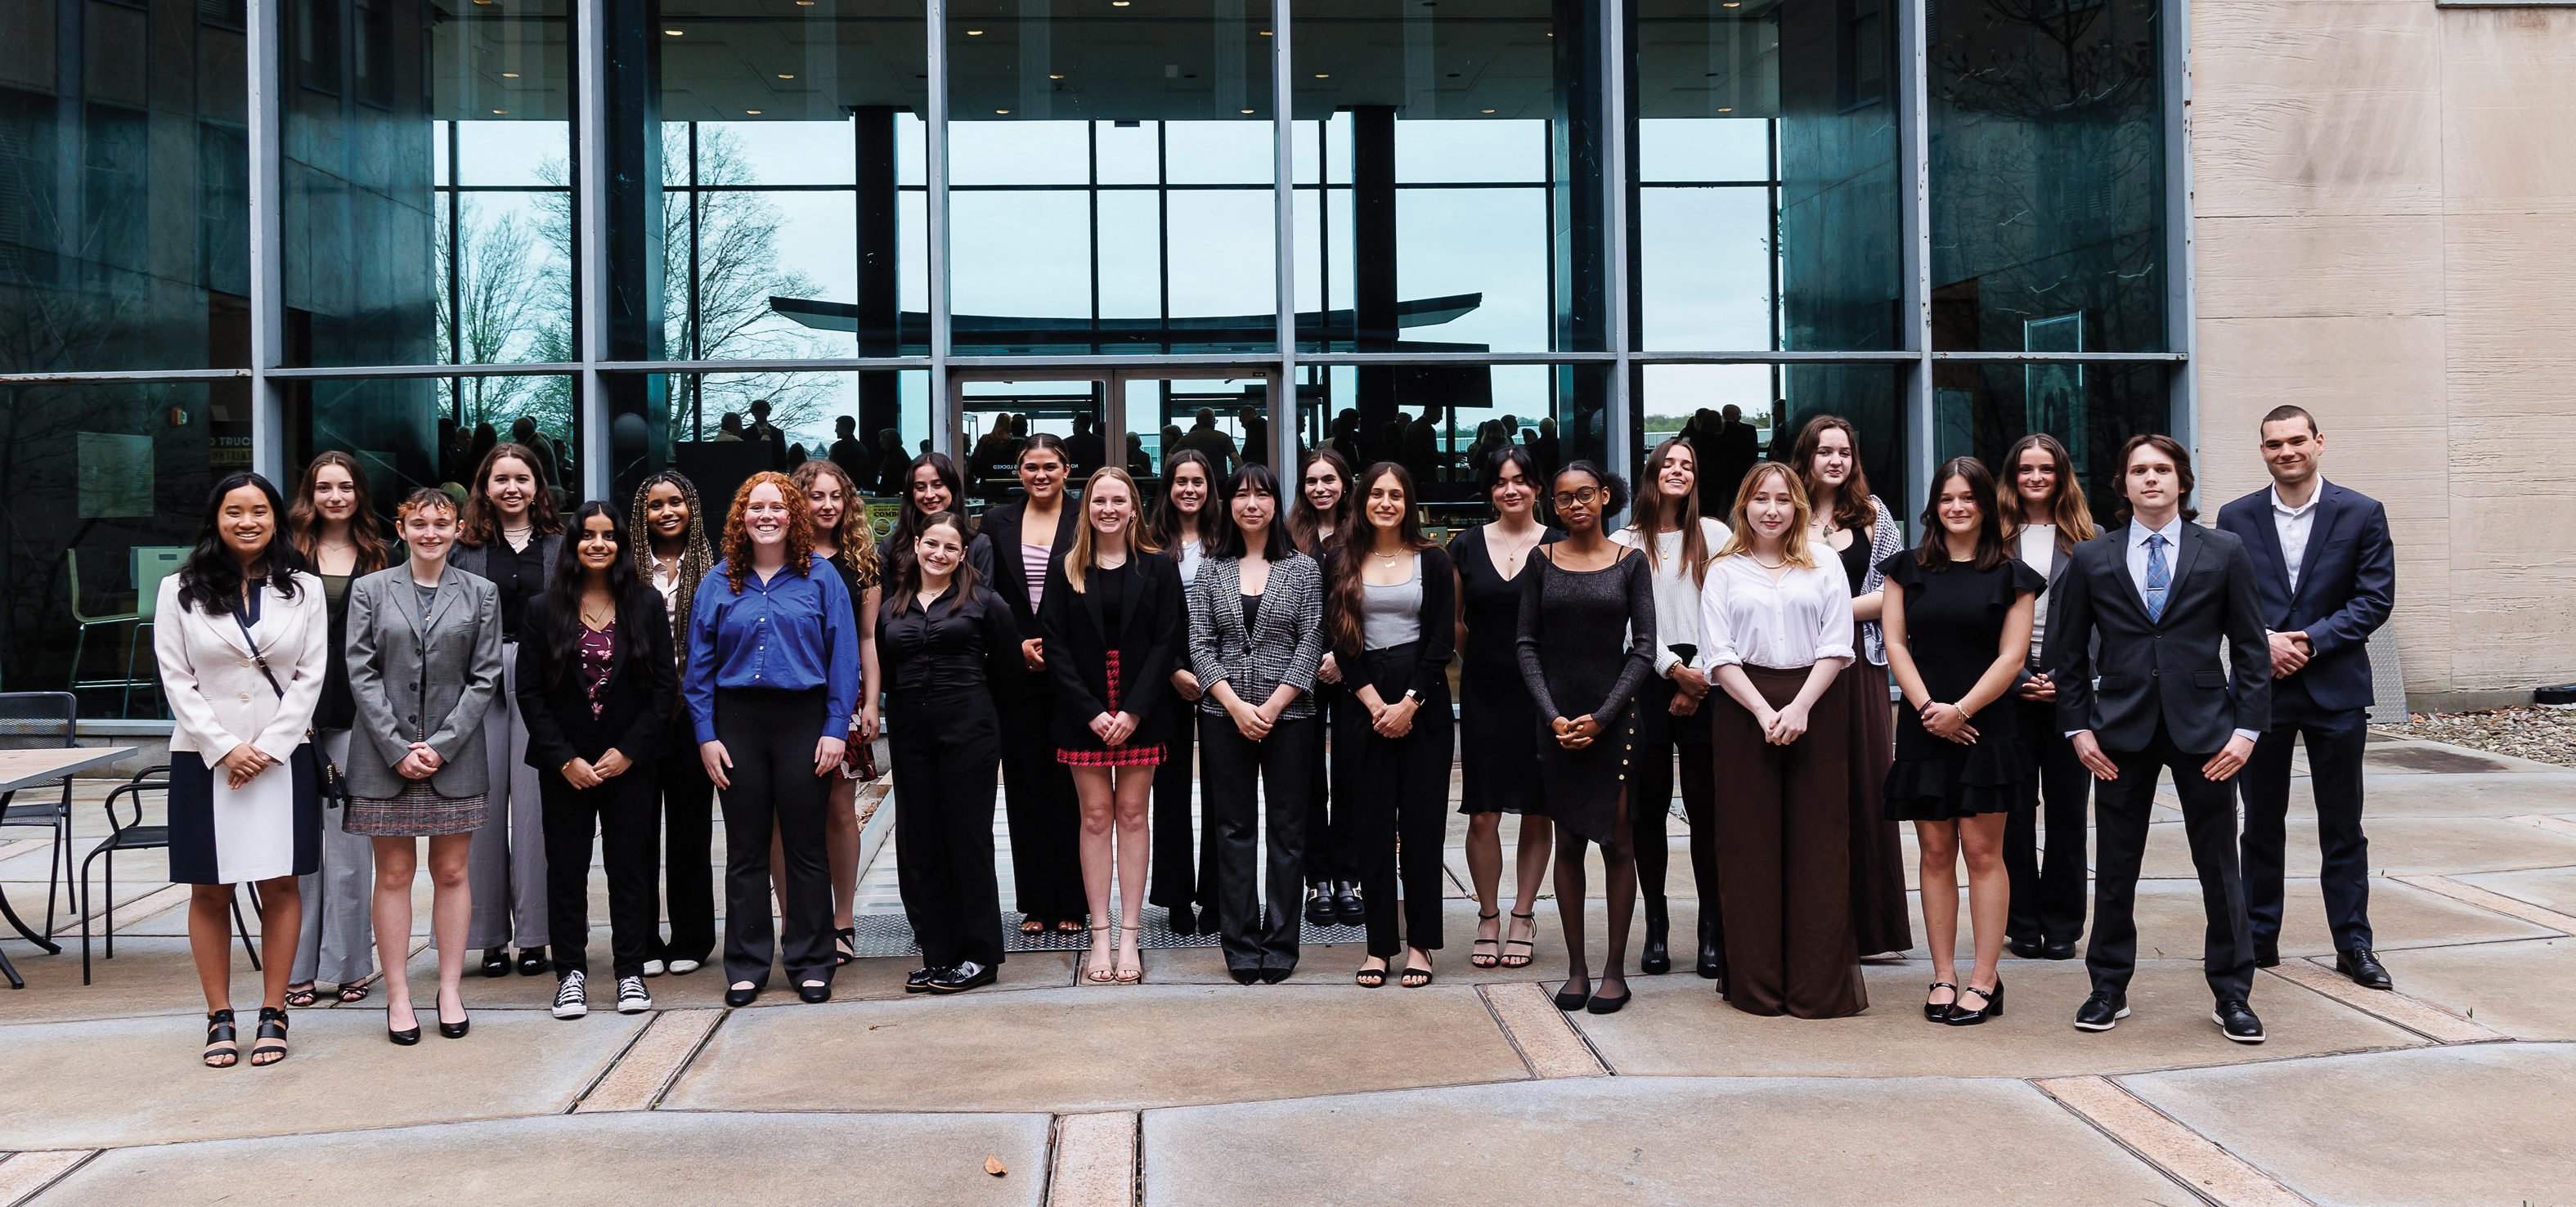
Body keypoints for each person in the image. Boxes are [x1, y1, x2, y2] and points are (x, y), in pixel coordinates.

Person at [2053, 434, 2272, 1043]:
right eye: (2138, 470)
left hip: (2207, 732)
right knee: (2117, 868)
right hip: (2119, 732)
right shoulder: (2093, 557)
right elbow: (2066, 655)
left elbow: (2253, 650)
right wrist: (2078, 727)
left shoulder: (2224, 550)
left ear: (2182, 482)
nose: (2151, 479)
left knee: (2219, 869)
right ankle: (2107, 988)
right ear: (2122, 485)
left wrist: (2246, 730)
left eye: (2162, 470)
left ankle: (2233, 995)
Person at [2218, 406, 2396, 990]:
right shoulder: (2236, 516)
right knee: (2260, 823)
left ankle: (2354, 945)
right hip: (2261, 690)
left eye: (2297, 440)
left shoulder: (2363, 513)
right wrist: (2264, 643)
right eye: (2274, 444)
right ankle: (2259, 939)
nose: (2286, 451)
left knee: (2342, 825)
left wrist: (2309, 643)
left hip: (2335, 690)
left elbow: (2374, 599)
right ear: (2262, 450)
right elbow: (2223, 597)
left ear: (2319, 442)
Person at [156, 472, 329, 1067]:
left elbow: (311, 677)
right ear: (216, 519)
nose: (247, 521)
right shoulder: (177, 590)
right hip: (204, 761)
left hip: (281, 761)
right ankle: (219, 1015)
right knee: (211, 888)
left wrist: (271, 747)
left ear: (276, 518)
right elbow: (176, 681)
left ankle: (274, 1010)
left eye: (259, 510)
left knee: (281, 883)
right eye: (234, 511)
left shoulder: (304, 590)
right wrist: (226, 747)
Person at [687, 472, 865, 1007]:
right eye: (756, 507)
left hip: (803, 720)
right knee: (744, 850)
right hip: (736, 722)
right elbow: (698, 669)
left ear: (794, 515)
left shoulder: (822, 578)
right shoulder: (718, 582)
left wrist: (836, 729)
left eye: (777, 507)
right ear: (742, 517)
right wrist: (706, 736)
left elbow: (845, 660)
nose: (766, 516)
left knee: (806, 847)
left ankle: (811, 961)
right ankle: (745, 965)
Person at [1880, 459, 2044, 1026]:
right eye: (1947, 497)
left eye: (1967, 498)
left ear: (1985, 505)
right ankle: (1944, 974)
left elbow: (2013, 658)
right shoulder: (1904, 569)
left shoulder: (2013, 575)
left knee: (1982, 853)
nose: (1957, 507)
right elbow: (1896, 645)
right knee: (1933, 853)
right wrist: (1929, 709)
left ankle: (1984, 979)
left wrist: (1962, 710)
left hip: (1987, 725)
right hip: (1925, 723)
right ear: (1935, 504)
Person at [1696, 462, 1864, 1019]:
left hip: (1816, 702)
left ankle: (1816, 986)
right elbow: (1718, 654)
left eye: (1784, 500)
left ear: (1797, 507)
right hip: (1745, 710)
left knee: (1819, 846)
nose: (1772, 509)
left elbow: (1839, 644)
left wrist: (1799, 707)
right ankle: (1758, 984)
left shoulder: (1824, 563)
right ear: (1744, 505)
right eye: (1761, 499)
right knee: (1749, 848)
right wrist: (1767, 710)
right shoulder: (1723, 570)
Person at [345, 488, 505, 1044]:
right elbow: (360, 672)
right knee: (392, 875)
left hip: (454, 754)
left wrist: (442, 744)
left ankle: (450, 990)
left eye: (441, 524)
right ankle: (396, 995)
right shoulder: (370, 590)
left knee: (454, 873)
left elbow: (485, 676)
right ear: (402, 527)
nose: (430, 533)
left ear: (458, 528)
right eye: (419, 523)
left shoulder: (482, 593)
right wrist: (397, 746)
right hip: (383, 757)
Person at [518, 502, 677, 1020]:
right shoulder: (543, 609)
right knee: (566, 871)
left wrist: (630, 751)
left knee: (630, 869)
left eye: (609, 536)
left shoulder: (646, 604)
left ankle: (630, 972)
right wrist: (564, 759)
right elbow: (530, 695)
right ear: (573, 543)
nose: (598, 545)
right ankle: (571, 975)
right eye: (588, 536)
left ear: (622, 544)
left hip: (629, 764)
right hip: (565, 767)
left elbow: (662, 689)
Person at [1518, 462, 1655, 1015]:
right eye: (1564, 498)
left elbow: (1644, 647)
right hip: (1557, 722)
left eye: (1586, 495)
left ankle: (1614, 973)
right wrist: (1553, 716)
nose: (1576, 505)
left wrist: (1601, 716)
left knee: (1618, 842)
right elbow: (1526, 644)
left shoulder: (1631, 563)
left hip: (1614, 720)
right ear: (1553, 506)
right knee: (1568, 843)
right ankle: (1577, 970)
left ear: (1605, 497)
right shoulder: (1541, 561)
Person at [1043, 467, 1187, 984]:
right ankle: (1099, 936)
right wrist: (1092, 711)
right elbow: (1053, 645)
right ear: (1088, 508)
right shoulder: (1067, 568)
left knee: (1131, 815)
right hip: (1082, 712)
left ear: (1133, 508)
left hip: (1140, 712)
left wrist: (1133, 711)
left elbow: (1168, 639)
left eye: (1118, 500)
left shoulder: (1158, 567)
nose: (1108, 508)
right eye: (1099, 500)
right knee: (1096, 818)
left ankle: (1131, 937)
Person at [1187, 462, 1326, 984]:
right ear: (1228, 504)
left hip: (1289, 715)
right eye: (1241, 495)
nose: (1251, 504)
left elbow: (1312, 639)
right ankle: (1241, 944)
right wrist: (1235, 706)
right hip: (1224, 715)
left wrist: (1271, 706)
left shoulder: (1303, 568)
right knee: (1233, 829)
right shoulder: (1210, 567)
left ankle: (1280, 943)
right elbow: (1200, 643)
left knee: (1288, 831)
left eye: (1262, 495)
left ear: (1276, 504)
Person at [1326, 464, 1456, 989]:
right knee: (1373, 830)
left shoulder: (1433, 559)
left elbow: (1442, 640)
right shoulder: (1342, 559)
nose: (1385, 502)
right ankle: (1379, 946)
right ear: (1362, 501)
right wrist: (1374, 703)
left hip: (1421, 701)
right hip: (1364, 701)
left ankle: (1421, 945)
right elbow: (1339, 639)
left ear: (1409, 502)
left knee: (1422, 830)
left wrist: (1408, 704)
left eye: (1395, 494)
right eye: (1376, 494)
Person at [1793, 415, 1913, 960]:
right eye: (1824, 451)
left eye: (1844, 451)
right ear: (1807, 457)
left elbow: (1894, 590)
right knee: (1809, 793)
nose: (1835, 460)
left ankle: (1869, 929)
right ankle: (1813, 923)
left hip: (1859, 670)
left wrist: (1825, 611)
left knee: (1864, 791)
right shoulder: (1783, 511)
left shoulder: (1874, 516)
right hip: (1794, 668)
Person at [880, 511, 1016, 993]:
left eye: (950, 548)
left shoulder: (984, 601)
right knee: (923, 843)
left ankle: (980, 956)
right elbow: (889, 674)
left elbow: (1008, 672)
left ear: (963, 555)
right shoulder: (892, 605)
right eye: (931, 544)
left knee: (967, 840)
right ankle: (939, 953)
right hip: (912, 736)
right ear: (916, 545)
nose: (939, 554)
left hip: (970, 732)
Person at [1611, 437, 1731, 979]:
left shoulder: (1717, 534)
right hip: (1648, 679)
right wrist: (1671, 671)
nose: (1679, 470)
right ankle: (1656, 928)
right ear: (1652, 473)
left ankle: (1712, 931)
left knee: (1708, 813)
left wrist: (1701, 671)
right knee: (1648, 813)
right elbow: (1625, 622)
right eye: (1670, 463)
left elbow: (1731, 607)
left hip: (1710, 678)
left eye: (1689, 463)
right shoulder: (1624, 541)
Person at [450, 443, 563, 979]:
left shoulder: (561, 546)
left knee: (540, 811)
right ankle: (489, 937)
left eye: (523, 478)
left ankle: (538, 935)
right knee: (485, 810)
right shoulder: (463, 548)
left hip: (545, 681)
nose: (512, 488)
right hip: (479, 682)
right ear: (486, 487)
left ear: (538, 486)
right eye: (502, 479)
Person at [283, 453, 392, 1008]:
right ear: (310, 492)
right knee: (301, 851)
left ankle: (350, 965)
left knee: (350, 850)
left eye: (345, 486)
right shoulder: (283, 556)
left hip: (358, 715)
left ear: (358, 493)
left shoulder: (380, 556)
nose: (334, 496)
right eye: (323, 486)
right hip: (289, 717)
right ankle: (297, 970)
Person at [1449, 446, 1559, 973]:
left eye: (1520, 480)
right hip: (1485, 692)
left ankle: (1522, 915)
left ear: (1537, 487)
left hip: (1544, 696)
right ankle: (1488, 916)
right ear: (1489, 489)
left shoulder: (1561, 545)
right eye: (1500, 482)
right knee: (1484, 810)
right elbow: (1456, 624)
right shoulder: (1464, 547)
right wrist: (1488, 668)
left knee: (1539, 807)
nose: (1510, 489)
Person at [977, 435, 1089, 936]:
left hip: (1074, 672)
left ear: (1067, 468)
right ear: (1018, 471)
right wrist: (1015, 645)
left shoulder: (1088, 514)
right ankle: (1036, 901)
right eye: (1030, 467)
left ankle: (1074, 899)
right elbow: (986, 594)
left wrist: (1060, 648)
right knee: (1025, 788)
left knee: (1073, 790)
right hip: (1016, 672)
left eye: (1049, 466)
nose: (1039, 475)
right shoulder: (997, 521)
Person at [1997, 434, 2098, 962]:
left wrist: (2071, 679)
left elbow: (2108, 624)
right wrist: (2014, 678)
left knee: (2067, 814)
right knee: (2012, 813)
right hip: (2005, 695)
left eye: (2047, 469)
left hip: (2070, 693)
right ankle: (2022, 924)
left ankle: (2062, 923)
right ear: (2012, 476)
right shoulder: (1993, 538)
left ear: (2062, 476)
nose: (2036, 478)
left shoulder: (2092, 538)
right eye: (2025, 469)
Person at [789, 460, 886, 967]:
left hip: (843, 698)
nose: (827, 505)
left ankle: (842, 920)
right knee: (785, 816)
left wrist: (870, 702)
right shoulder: (780, 554)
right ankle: (797, 923)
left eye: (836, 496)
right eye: (815, 496)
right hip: (786, 699)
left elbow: (868, 638)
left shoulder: (862, 562)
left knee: (838, 809)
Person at [631, 470, 718, 976]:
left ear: (692, 508)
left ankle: (691, 938)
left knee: (689, 833)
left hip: (694, 715)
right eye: (655, 505)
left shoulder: (714, 566)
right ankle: (641, 939)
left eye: (676, 502)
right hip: (640, 719)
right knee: (637, 833)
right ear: (641, 514)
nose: (667, 512)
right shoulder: (628, 569)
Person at [1144, 450, 1221, 935]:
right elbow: (1147, 618)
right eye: (1180, 482)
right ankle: (1175, 897)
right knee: (1169, 792)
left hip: (1225, 676)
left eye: (1198, 481)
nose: (1189, 490)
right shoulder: (1150, 542)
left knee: (1222, 789)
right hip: (1165, 677)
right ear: (1167, 488)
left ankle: (1217, 895)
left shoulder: (1227, 541)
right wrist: (1173, 668)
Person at [1287, 447, 1361, 925]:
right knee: (1308, 778)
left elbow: (1370, 602)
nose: (1321, 488)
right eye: (1312, 481)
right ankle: (1317, 882)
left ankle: (1348, 877)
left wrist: (1342, 656)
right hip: (1300, 673)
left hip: (1354, 667)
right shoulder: (1289, 533)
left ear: (1344, 483)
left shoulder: (1364, 533)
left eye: (1329, 479)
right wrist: (1310, 658)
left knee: (1353, 776)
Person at [880, 451, 997, 581]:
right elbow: (888, 600)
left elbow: (983, 598)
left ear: (952, 489)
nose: (929, 495)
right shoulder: (892, 546)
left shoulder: (979, 545)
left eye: (938, 485)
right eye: (920, 487)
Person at [1173, 406, 1240, 475]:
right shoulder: (1224, 437)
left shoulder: (1187, 439)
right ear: (1212, 421)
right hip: (1219, 480)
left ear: (1197, 421)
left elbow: (1170, 456)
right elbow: (1235, 457)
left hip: (1197, 478)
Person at [828, 415, 875, 491]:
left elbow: (831, 469)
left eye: (837, 427)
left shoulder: (837, 447)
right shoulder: (862, 448)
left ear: (844, 428)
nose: (835, 430)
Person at [1401, 403, 1443, 487]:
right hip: (1426, 477)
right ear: (1432, 411)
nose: (1441, 418)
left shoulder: (1410, 426)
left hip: (1413, 476)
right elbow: (1433, 456)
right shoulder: (1428, 429)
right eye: (1440, 414)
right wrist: (1452, 460)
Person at [745, 398, 788, 469]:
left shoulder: (778, 433)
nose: (759, 415)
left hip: (773, 472)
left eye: (762, 412)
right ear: (753, 413)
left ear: (767, 413)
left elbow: (782, 458)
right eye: (757, 412)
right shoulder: (745, 434)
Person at [1064, 411, 1108, 480]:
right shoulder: (1102, 442)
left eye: (1073, 423)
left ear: (1077, 425)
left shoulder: (1066, 443)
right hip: (1097, 479)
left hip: (1072, 481)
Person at [873, 429, 910, 496]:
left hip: (893, 495)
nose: (880, 441)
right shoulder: (890, 454)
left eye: (882, 438)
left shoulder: (898, 456)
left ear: (890, 441)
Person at [1238, 403, 1271, 467]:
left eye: (1242, 421)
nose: (1242, 425)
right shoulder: (1264, 423)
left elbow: (1249, 448)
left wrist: (1240, 462)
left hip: (1256, 464)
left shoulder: (1253, 424)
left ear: (1245, 416)